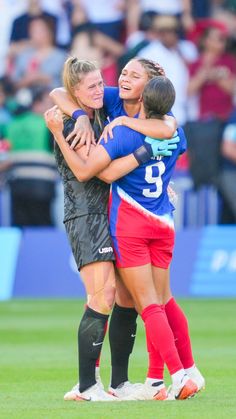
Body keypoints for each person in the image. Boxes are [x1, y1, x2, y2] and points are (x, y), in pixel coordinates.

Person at [50, 57, 205, 398]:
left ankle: (128, 381)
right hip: (106, 213)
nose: (119, 80)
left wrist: (127, 132)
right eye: (123, 73)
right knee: (116, 296)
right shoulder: (113, 108)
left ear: (149, 87)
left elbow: (102, 169)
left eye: (133, 75)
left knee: (133, 299)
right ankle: (97, 383)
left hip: (125, 216)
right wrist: (73, 120)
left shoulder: (124, 126)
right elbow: (60, 93)